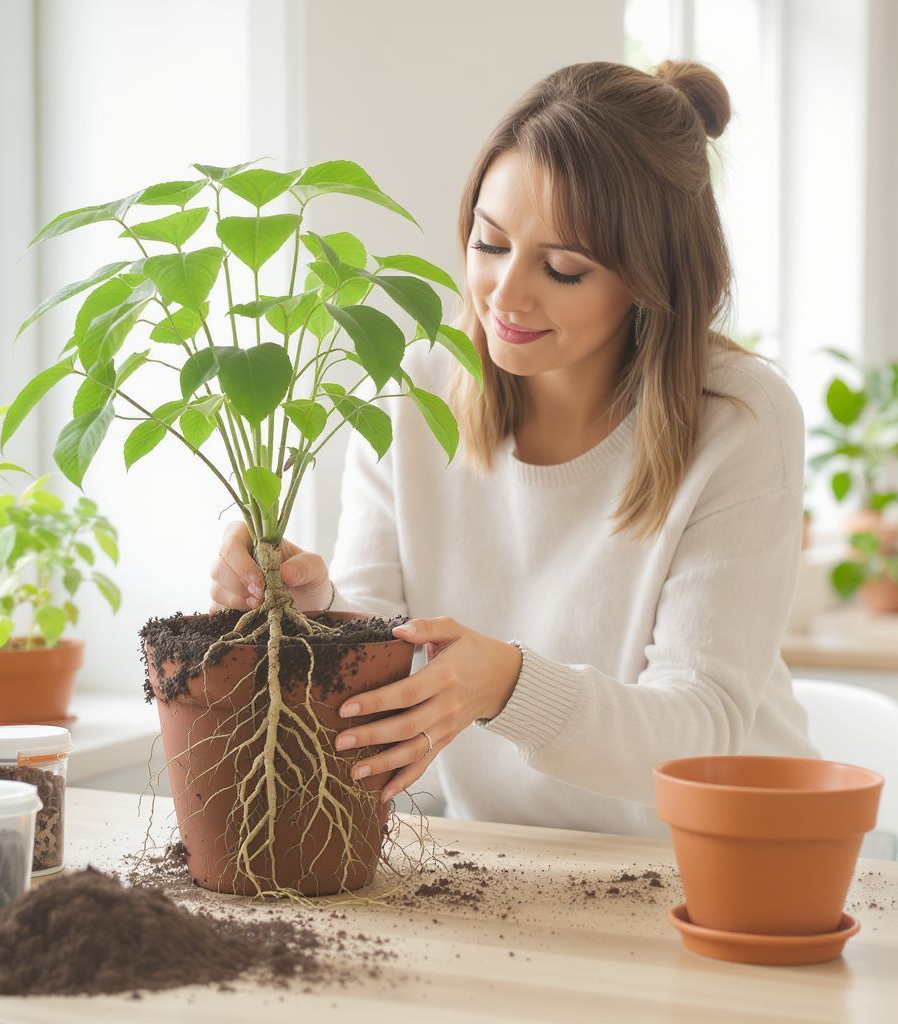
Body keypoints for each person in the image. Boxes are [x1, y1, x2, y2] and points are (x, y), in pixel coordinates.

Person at [209, 59, 818, 839]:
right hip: (521, 864)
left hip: (731, 859)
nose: (505, 294)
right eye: (489, 243)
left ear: (649, 277)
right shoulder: (416, 388)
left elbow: (700, 729)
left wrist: (508, 683)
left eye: (562, 268)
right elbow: (383, 652)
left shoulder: (739, 419)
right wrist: (309, 607)